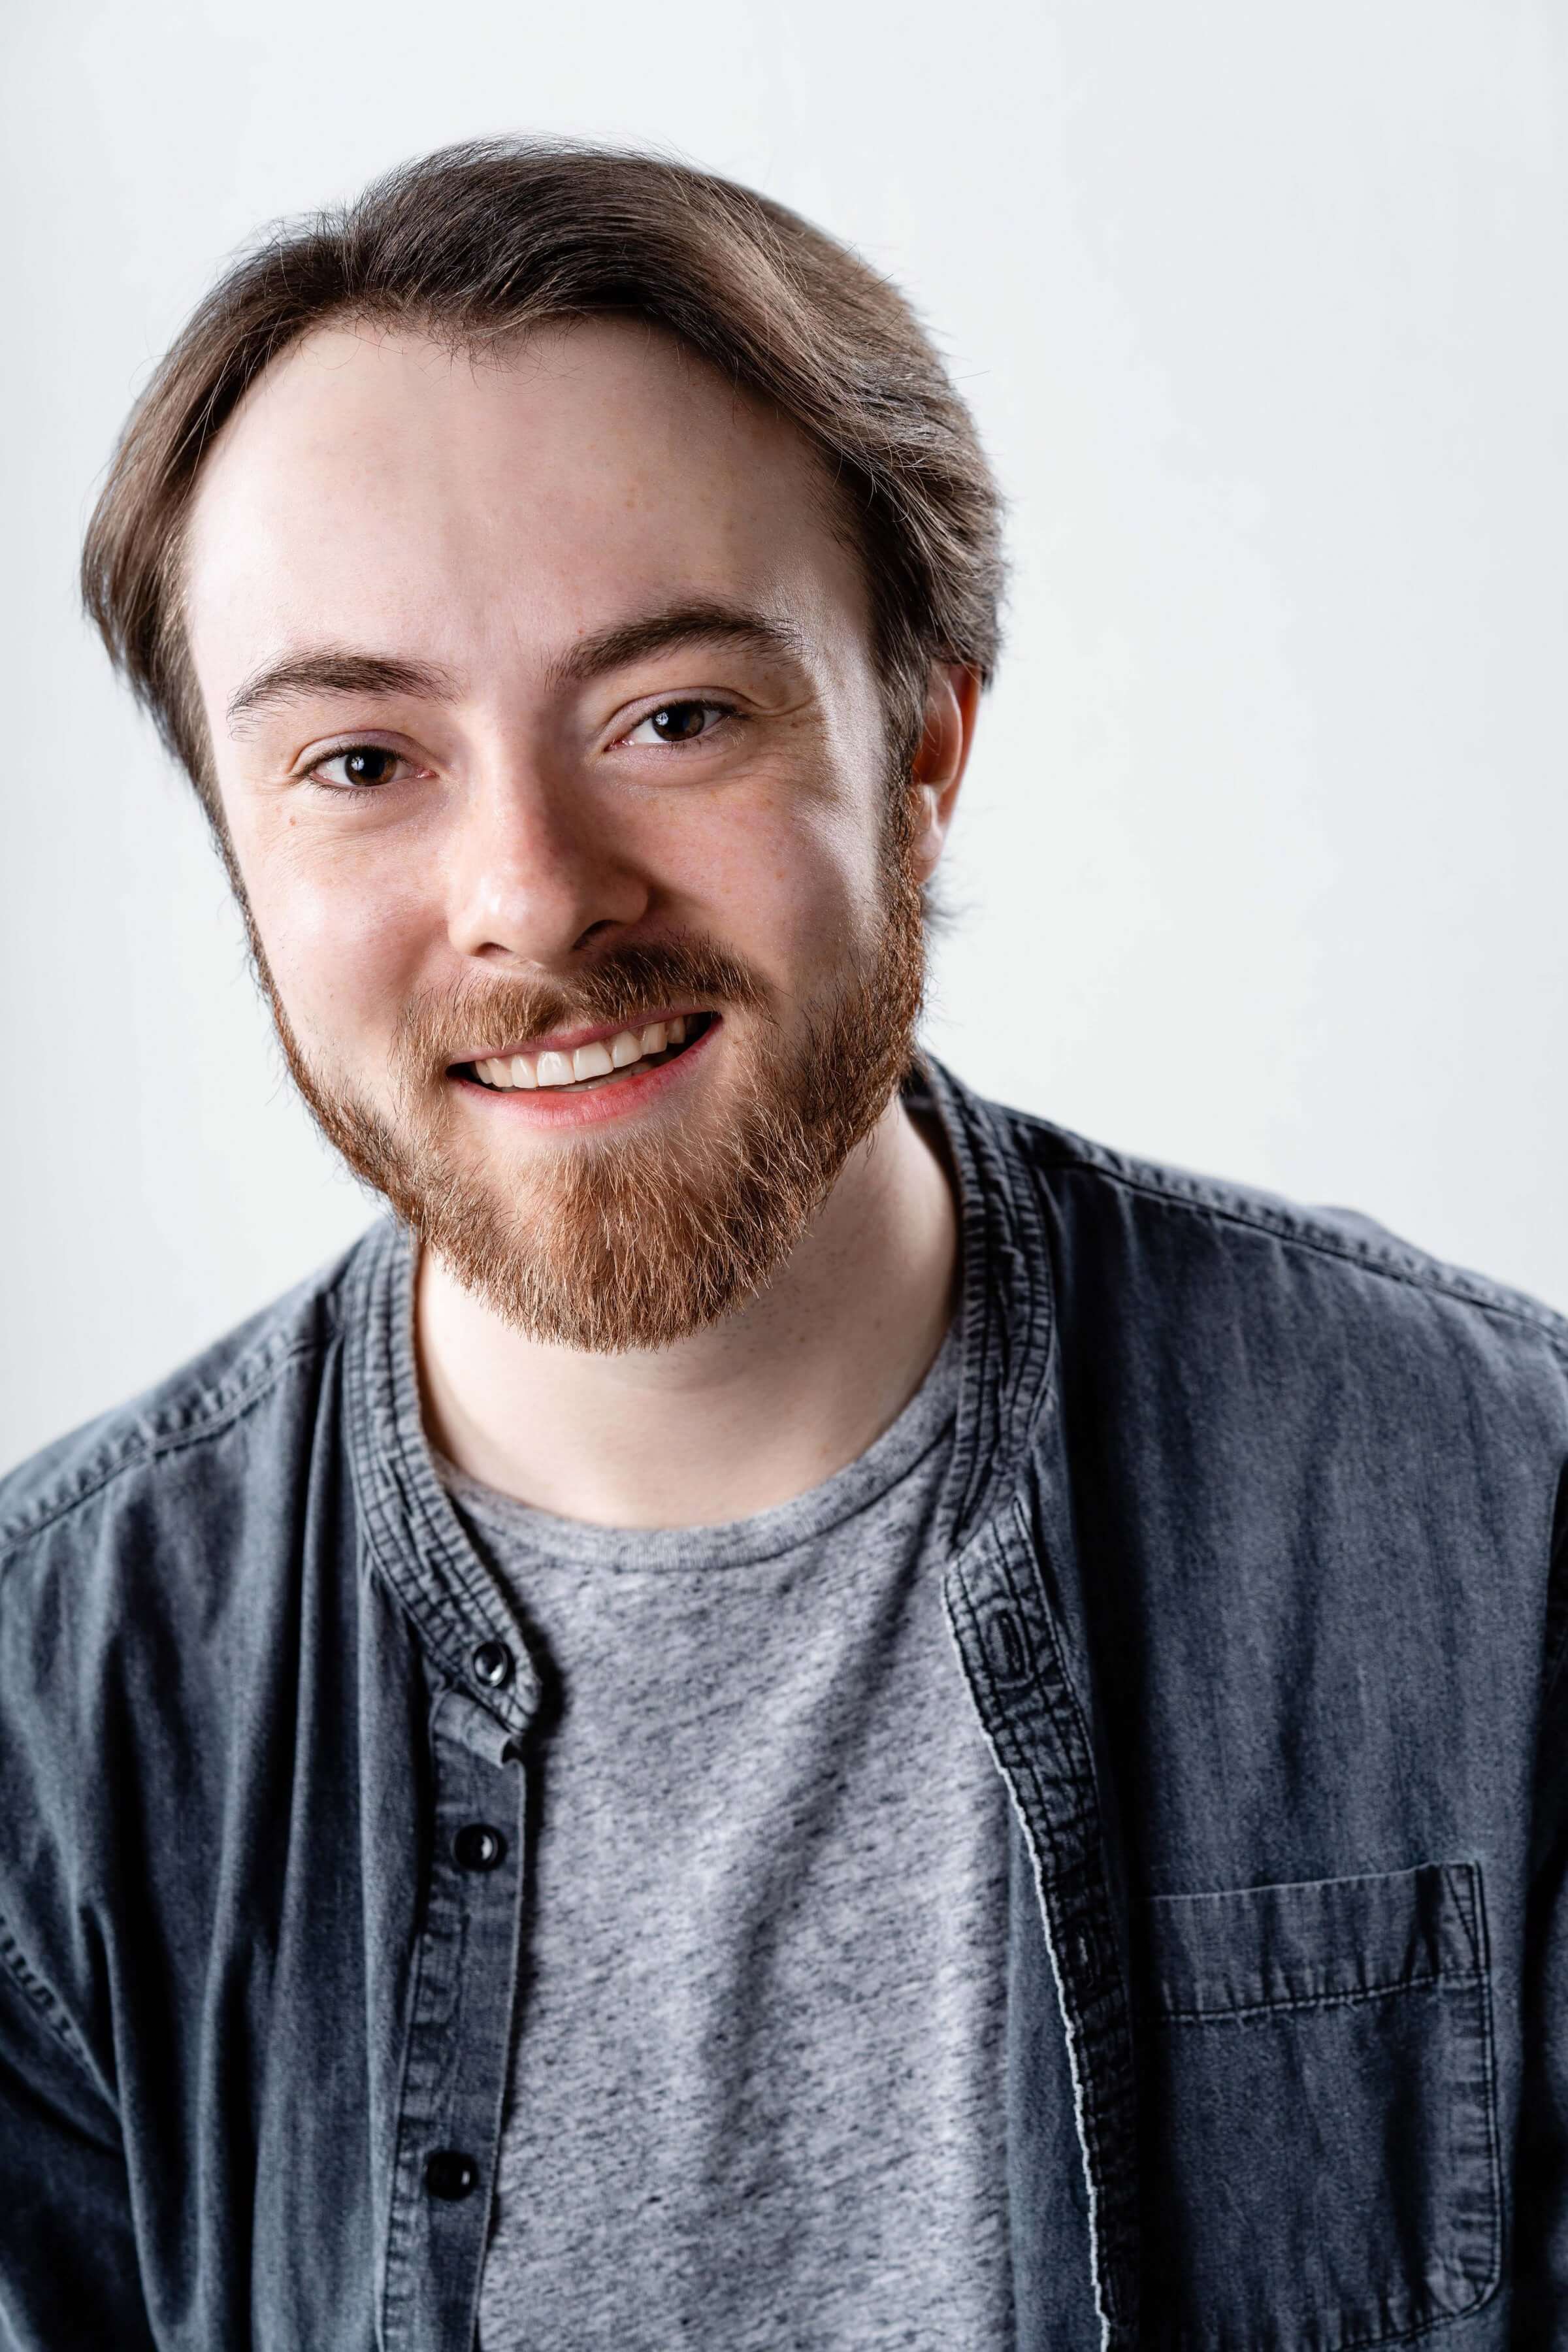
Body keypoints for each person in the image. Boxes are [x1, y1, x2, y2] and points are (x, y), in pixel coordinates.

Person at [1, 137, 1563, 2352]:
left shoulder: (1503, 1523)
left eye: (675, 717)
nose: (535, 896)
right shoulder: (48, 1727)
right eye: (359, 762)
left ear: (921, 748)